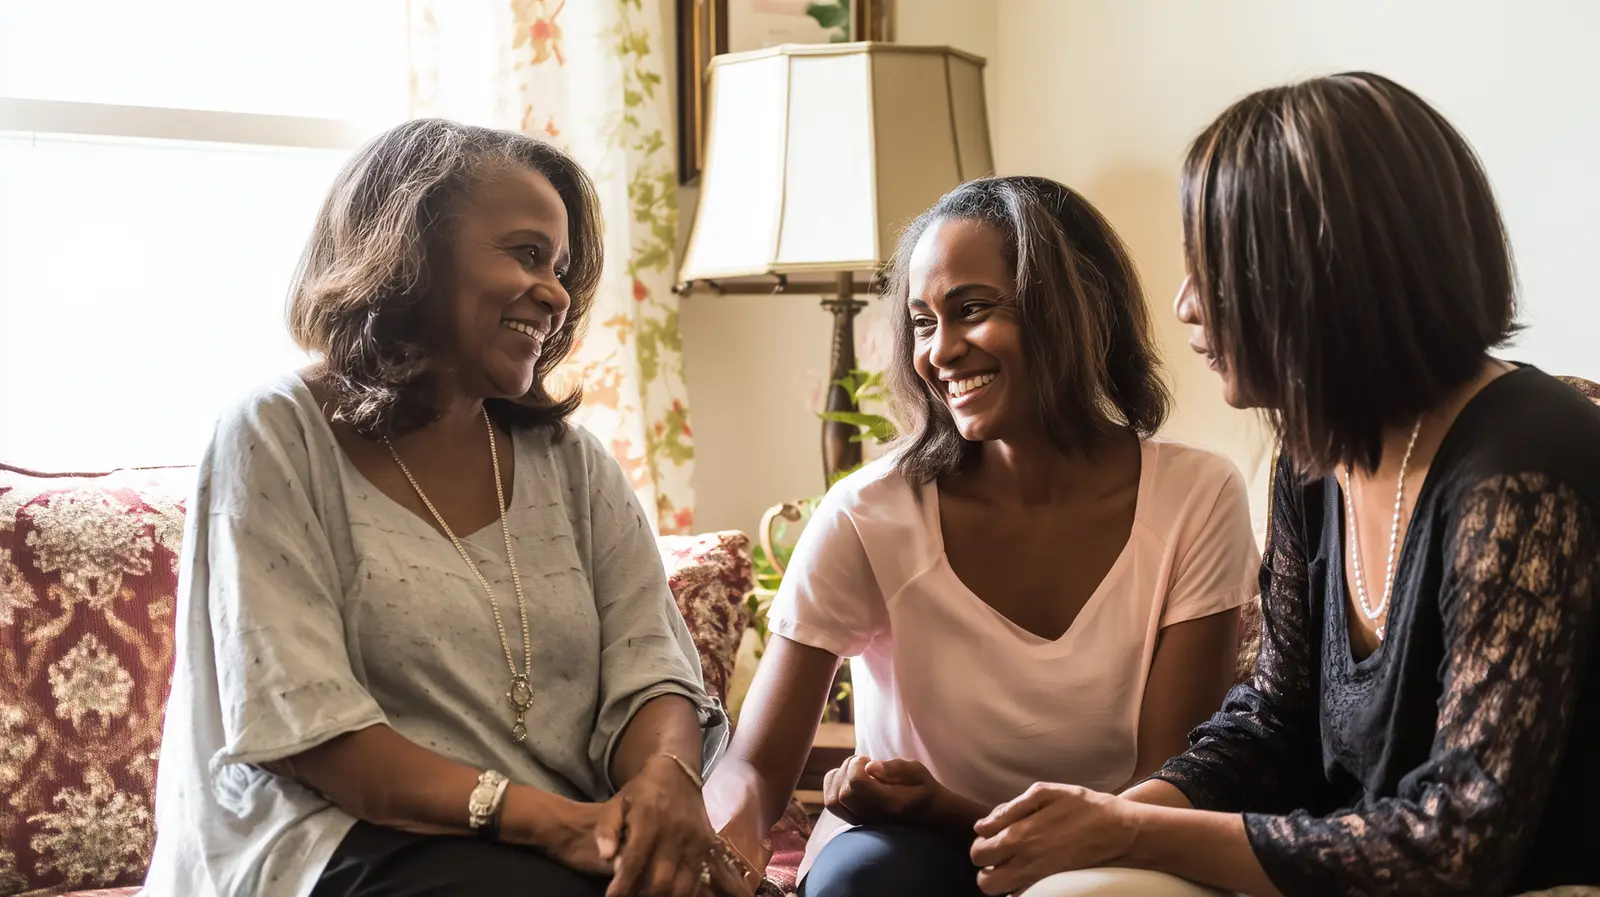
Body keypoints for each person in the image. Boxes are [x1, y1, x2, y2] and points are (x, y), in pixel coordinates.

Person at [970, 73, 1600, 897]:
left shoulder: (1530, 463)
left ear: (1318, 274)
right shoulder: (1314, 462)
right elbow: (1274, 726)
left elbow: (1459, 842)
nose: (1183, 303)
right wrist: (1102, 825)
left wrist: (1133, 828)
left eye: (1211, 267)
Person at [144, 119, 754, 897]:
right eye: (528, 254)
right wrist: (563, 824)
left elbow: (652, 670)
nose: (557, 293)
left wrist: (668, 787)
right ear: (414, 251)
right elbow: (311, 730)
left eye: (562, 269)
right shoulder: (275, 432)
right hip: (325, 842)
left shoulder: (575, 466)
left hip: (551, 841)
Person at [703, 176, 1263, 897]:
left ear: (1074, 308)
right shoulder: (867, 512)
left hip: (1114, 860)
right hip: (904, 856)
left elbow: (1166, 783)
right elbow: (754, 767)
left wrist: (956, 810)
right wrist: (724, 853)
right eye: (923, 322)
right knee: (864, 879)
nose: (941, 351)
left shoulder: (1197, 495)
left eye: (971, 310)